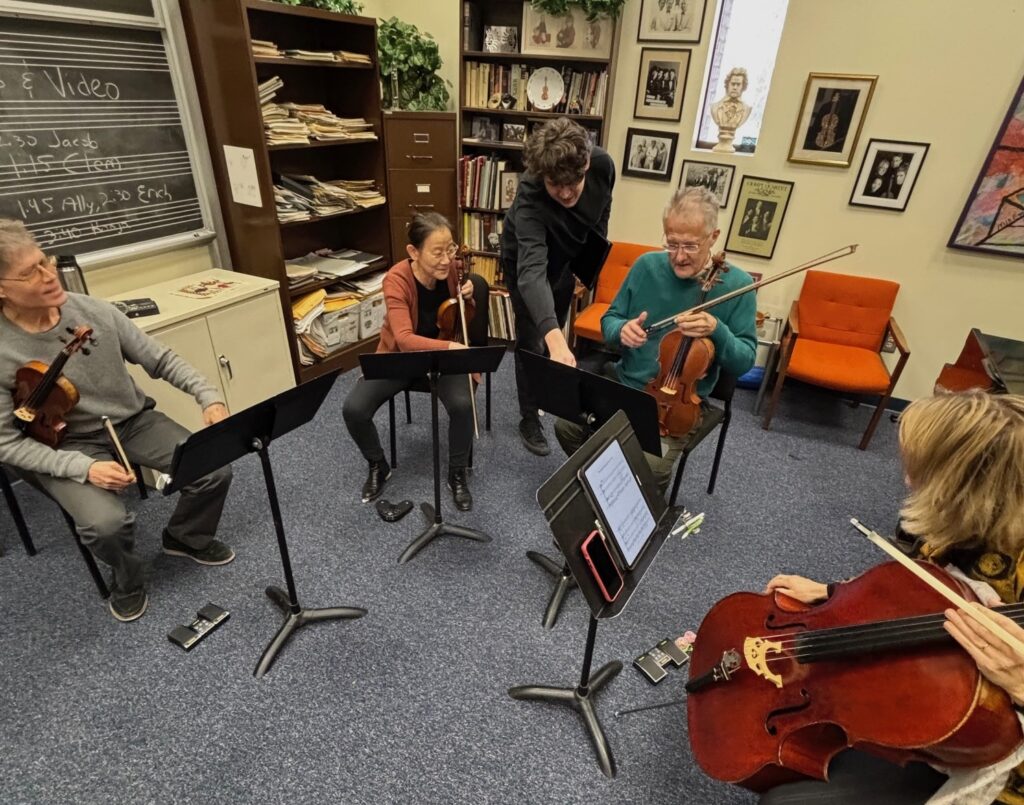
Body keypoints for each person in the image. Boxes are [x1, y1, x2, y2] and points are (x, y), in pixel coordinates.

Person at [759, 392, 1024, 804]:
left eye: (922, 473)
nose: (906, 481)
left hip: (983, 746)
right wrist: (834, 595)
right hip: (926, 678)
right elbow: (916, 593)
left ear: (964, 488)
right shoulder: (949, 523)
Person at [0, 219, 234, 623]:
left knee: (213, 468)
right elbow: (6, 443)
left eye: (46, 261)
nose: (48, 275)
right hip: (63, 444)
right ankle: (127, 579)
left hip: (131, 421)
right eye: (29, 272)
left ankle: (184, 537)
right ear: (2, 289)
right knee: (105, 524)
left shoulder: (95, 312)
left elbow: (160, 358)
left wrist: (208, 395)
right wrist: (84, 467)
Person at [553, 187, 756, 493]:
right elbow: (611, 318)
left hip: (677, 405)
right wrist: (621, 330)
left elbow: (744, 361)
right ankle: (604, 489)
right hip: (625, 384)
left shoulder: (737, 285)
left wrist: (718, 330)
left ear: (713, 237)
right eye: (671, 243)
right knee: (566, 427)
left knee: (653, 466)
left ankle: (628, 502)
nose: (679, 255)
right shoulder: (646, 266)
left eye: (690, 245)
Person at [342, 213, 489, 511]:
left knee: (463, 406)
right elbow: (405, 339)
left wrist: (468, 296)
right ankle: (377, 464)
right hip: (401, 357)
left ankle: (457, 472)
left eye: (450, 249)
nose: (447, 259)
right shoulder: (396, 279)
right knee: (354, 409)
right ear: (414, 252)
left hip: (442, 360)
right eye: (437, 252)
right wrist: (450, 346)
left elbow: (462, 313)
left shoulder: (452, 270)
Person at [500, 116, 615, 456]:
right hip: (524, 260)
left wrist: (588, 262)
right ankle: (529, 417)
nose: (565, 193)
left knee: (557, 325)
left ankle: (549, 392)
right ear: (542, 176)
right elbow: (532, 272)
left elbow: (602, 213)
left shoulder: (603, 167)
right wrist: (554, 339)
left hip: (565, 256)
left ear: (587, 164)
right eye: (555, 184)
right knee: (534, 338)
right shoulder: (531, 193)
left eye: (573, 183)